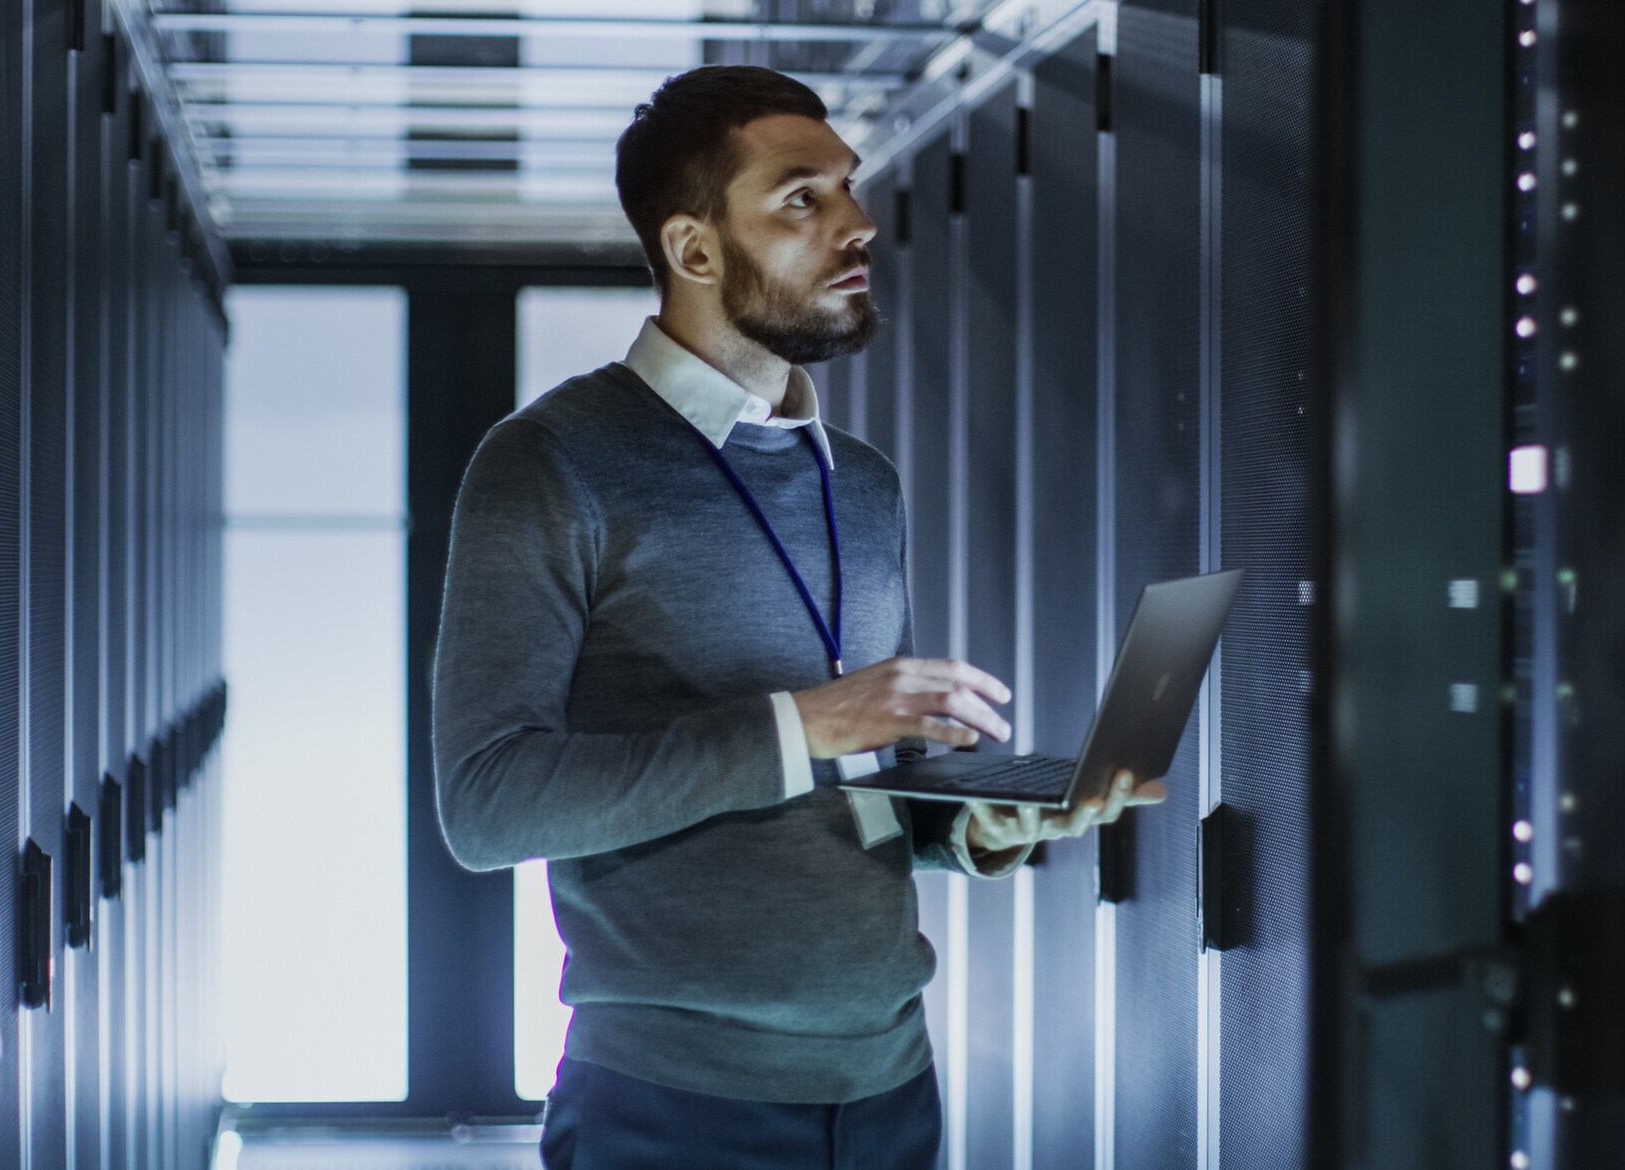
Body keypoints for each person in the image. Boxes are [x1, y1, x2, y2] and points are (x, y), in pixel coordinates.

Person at [428, 64, 1166, 1169]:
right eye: (799, 198)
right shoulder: (548, 461)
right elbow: (486, 805)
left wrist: (966, 828)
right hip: (671, 1104)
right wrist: (801, 725)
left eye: (848, 189)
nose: (857, 225)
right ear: (692, 249)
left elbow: (857, 786)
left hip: (888, 1082)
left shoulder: (858, 481)